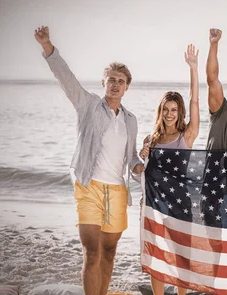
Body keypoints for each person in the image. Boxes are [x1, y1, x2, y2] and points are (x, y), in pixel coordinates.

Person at [34, 26, 144, 295]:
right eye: (111, 80)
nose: (116, 84)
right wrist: (48, 47)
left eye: (121, 81)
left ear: (127, 87)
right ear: (103, 83)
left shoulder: (131, 121)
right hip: (89, 187)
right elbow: (66, 78)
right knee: (91, 252)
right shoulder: (88, 105)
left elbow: (131, 159)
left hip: (118, 192)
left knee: (109, 253)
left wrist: (142, 167)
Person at [138, 44, 200, 295]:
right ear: (160, 111)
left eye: (174, 110)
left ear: (180, 112)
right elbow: (139, 174)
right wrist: (141, 159)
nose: (170, 114)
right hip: (153, 204)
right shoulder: (150, 140)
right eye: (166, 109)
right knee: (156, 254)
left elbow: (196, 101)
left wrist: (193, 69)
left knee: (180, 253)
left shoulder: (187, 137)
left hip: (180, 203)